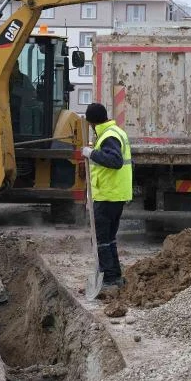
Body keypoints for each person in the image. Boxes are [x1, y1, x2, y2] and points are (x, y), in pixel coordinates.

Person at [81, 103, 132, 290]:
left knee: (101, 239)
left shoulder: (109, 136)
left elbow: (115, 161)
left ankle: (109, 279)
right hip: (115, 195)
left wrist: (92, 153)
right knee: (109, 238)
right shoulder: (114, 132)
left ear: (92, 122)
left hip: (108, 196)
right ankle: (115, 275)